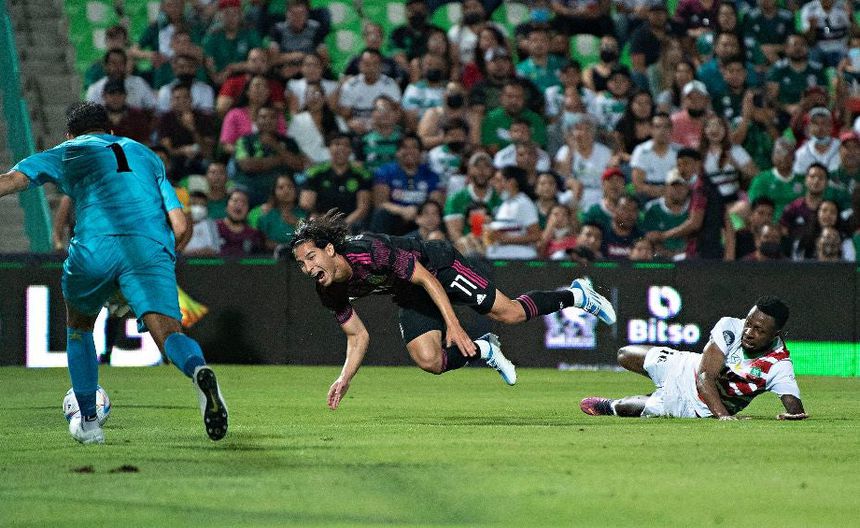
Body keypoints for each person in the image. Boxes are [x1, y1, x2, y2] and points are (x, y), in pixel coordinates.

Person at [0, 102, 227, 443]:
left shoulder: (68, 150)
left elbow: (11, 181)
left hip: (96, 245)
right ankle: (198, 370)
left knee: (79, 328)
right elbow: (181, 227)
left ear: (70, 135)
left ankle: (89, 423)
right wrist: (148, 268)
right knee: (169, 336)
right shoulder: (147, 156)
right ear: (109, 131)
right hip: (150, 248)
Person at [289, 209, 616, 409]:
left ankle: (576, 295)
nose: (308, 268)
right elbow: (357, 335)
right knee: (429, 361)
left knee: (510, 313)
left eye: (311, 257)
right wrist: (345, 378)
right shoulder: (328, 289)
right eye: (302, 264)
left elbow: (427, 277)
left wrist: (454, 324)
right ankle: (486, 349)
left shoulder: (369, 251)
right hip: (411, 290)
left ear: (329, 250)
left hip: (438, 266)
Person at [580, 296, 808, 421]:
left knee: (624, 407)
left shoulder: (778, 365)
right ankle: (655, 393)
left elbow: (794, 406)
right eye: (749, 323)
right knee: (624, 355)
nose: (748, 332)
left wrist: (793, 415)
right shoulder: (730, 326)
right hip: (683, 366)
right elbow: (705, 376)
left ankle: (611, 405)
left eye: (759, 330)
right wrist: (724, 417)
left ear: (775, 335)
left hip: (695, 406)